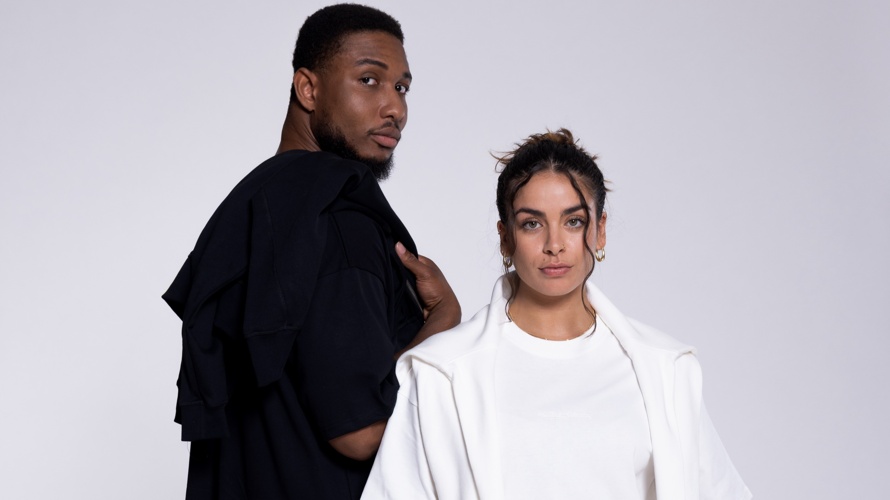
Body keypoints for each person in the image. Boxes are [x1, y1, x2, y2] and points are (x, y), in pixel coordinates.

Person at [162, 4, 461, 499]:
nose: (396, 109)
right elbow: (360, 432)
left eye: (402, 87)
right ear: (308, 89)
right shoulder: (338, 218)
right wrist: (443, 319)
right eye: (369, 80)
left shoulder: (255, 206)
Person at [362, 129, 752, 499]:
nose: (554, 245)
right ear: (505, 238)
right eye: (532, 224)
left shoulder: (664, 370)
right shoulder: (440, 372)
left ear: (600, 230)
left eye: (573, 221)